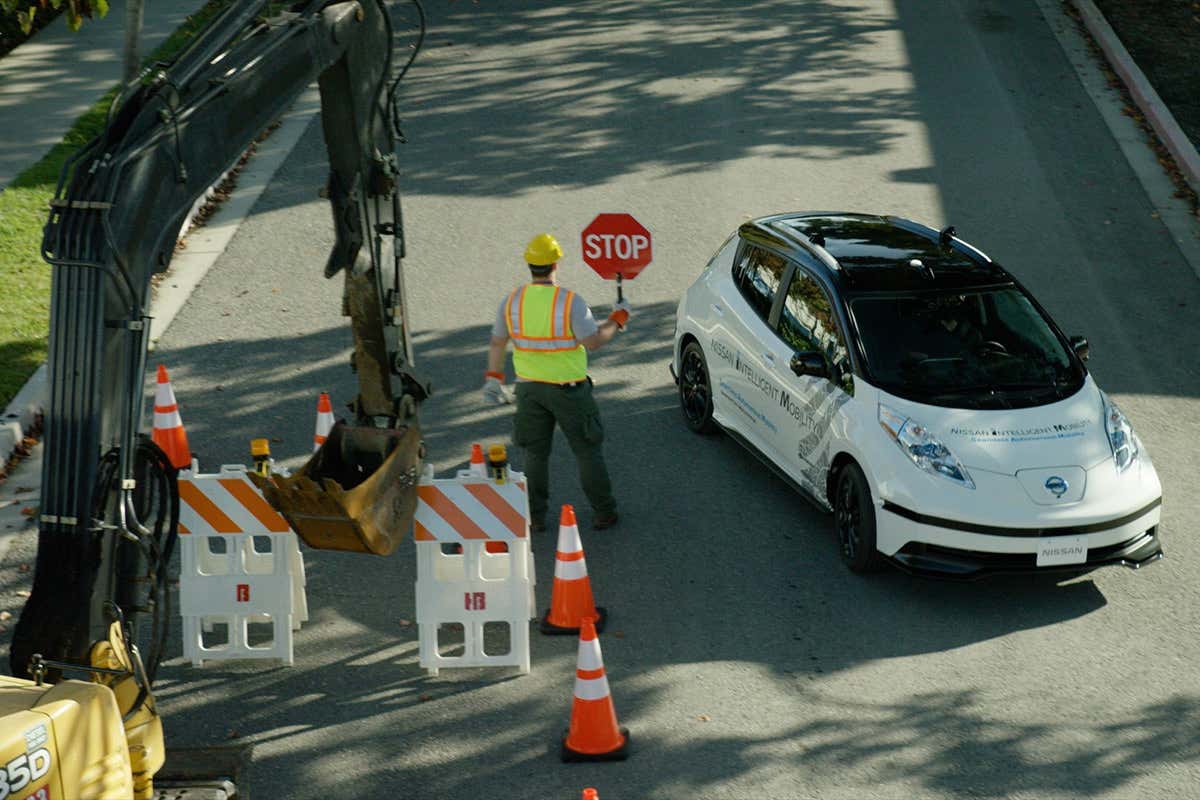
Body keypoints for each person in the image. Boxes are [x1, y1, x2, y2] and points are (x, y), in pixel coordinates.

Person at [482, 233, 631, 533]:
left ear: (529, 264)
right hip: (569, 391)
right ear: (555, 264)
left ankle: (535, 517)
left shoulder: (512, 301)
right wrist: (618, 318)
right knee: (587, 451)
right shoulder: (570, 302)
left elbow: (498, 342)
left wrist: (494, 378)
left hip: (529, 391)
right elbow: (593, 342)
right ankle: (604, 512)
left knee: (535, 454)